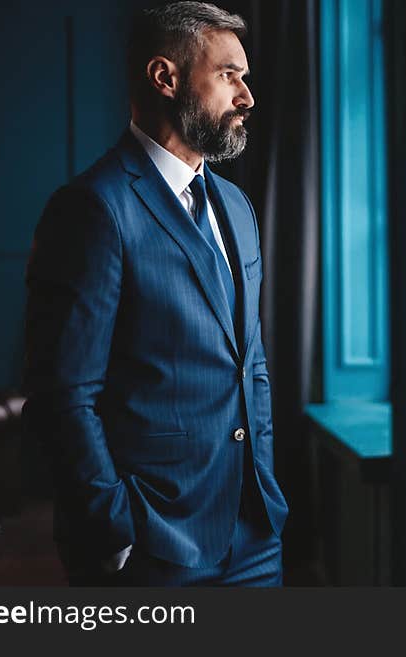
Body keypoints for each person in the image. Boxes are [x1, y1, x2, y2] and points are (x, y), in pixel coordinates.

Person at [23, 1, 287, 586]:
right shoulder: (93, 209)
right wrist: (110, 525)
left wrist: (264, 482)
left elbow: (252, 364)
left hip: (254, 536)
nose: (246, 97)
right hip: (151, 544)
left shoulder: (238, 208)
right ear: (165, 77)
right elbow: (63, 392)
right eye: (228, 75)